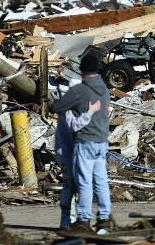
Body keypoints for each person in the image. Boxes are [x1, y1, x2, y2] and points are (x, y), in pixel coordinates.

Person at [51, 53, 112, 232]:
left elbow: (57, 107)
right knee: (101, 181)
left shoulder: (80, 90)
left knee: (84, 181)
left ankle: (83, 220)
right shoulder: (105, 88)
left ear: (82, 70)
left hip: (85, 142)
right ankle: (104, 219)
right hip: (102, 142)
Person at [55, 99, 102, 229]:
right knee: (76, 187)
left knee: (69, 186)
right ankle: (75, 221)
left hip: (66, 153)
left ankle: (68, 221)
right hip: (70, 155)